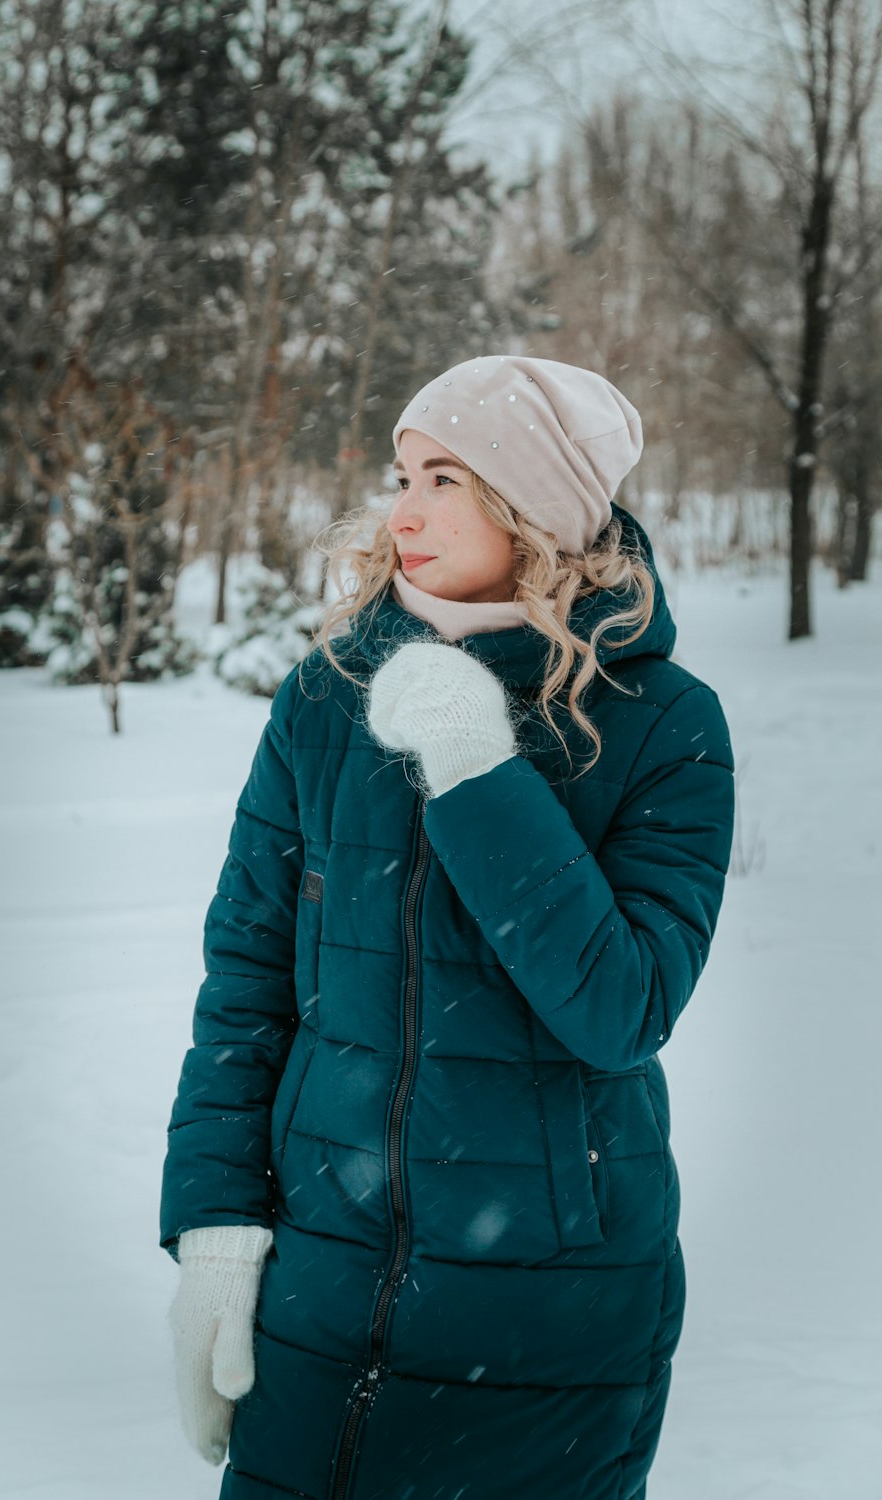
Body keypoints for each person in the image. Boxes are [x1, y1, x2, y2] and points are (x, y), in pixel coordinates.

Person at [159, 354, 736, 1500]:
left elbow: (620, 1008)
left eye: (447, 479)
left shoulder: (663, 722)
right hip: (319, 1296)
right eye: (401, 474)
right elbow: (247, 986)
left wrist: (476, 763)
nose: (403, 512)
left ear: (535, 506)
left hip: (548, 1324)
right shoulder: (325, 697)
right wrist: (217, 1231)